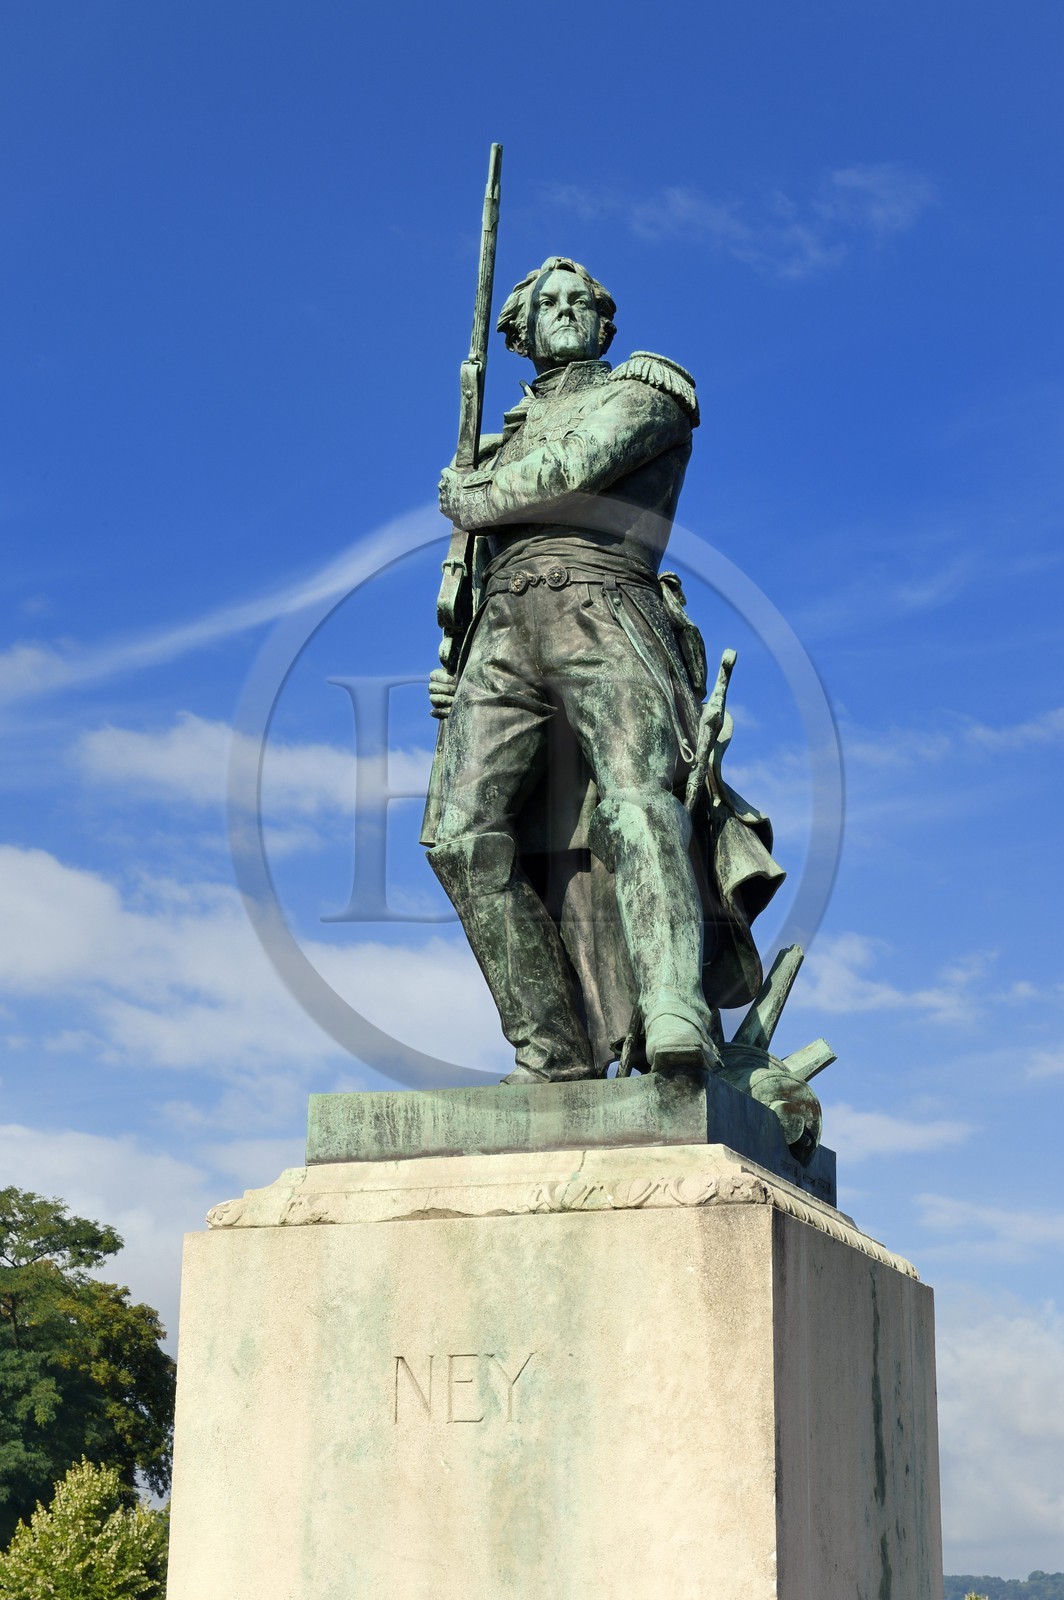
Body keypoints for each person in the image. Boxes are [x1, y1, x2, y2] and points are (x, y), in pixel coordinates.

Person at [423, 257, 782, 1085]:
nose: (563, 312)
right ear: (517, 330)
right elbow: (467, 579)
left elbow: (576, 467)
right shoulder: (491, 444)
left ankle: (673, 1007)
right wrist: (457, 656)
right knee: (458, 838)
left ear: (604, 322)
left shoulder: (647, 392)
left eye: (579, 301)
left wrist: (472, 493)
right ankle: (551, 1049)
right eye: (545, 303)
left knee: (635, 803)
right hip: (503, 633)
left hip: (605, 605)